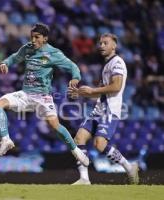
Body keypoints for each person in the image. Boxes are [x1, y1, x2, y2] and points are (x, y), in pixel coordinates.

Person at [0, 23, 89, 166]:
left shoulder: (53, 53)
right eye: (32, 37)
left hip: (43, 97)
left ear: (45, 38)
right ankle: (6, 140)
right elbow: (15, 57)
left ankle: (76, 151)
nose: (33, 40)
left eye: (37, 37)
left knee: (55, 125)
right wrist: (6, 63)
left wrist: (75, 77)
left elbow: (72, 66)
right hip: (25, 94)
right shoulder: (27, 48)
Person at [68, 33, 139, 185]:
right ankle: (84, 179)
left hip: (110, 110)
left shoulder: (117, 62)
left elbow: (116, 86)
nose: (101, 46)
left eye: (105, 43)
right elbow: (101, 91)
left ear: (114, 46)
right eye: (100, 43)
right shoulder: (106, 65)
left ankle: (129, 167)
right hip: (99, 109)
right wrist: (80, 92)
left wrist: (92, 91)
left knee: (99, 144)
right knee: (79, 138)